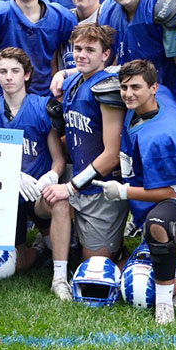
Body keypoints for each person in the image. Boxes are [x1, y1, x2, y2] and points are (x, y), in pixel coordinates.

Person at [94, 60, 176, 324]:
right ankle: (173, 254)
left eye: (135, 87)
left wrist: (123, 192)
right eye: (124, 87)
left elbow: (173, 193)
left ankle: (169, 305)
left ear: (152, 88)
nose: (128, 93)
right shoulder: (156, 98)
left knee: (159, 225)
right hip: (152, 204)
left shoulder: (160, 136)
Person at [40, 23, 125, 300]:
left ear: (106, 55)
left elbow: (112, 155)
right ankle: (56, 271)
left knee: (95, 268)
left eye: (91, 50)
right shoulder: (72, 81)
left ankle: (127, 254)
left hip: (102, 187)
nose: (82, 55)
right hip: (75, 175)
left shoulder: (108, 89)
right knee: (51, 201)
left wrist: (71, 186)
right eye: (78, 49)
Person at [0, 47, 65, 271]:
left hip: (37, 192)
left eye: (15, 70)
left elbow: (58, 160)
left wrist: (51, 176)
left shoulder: (42, 107)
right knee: (17, 265)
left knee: (59, 203)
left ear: (26, 74)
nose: (8, 77)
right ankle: (40, 248)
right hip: (5, 193)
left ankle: (55, 254)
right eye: (3, 72)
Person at [95, 0, 176, 104]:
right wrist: (65, 74)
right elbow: (101, 62)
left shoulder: (159, 6)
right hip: (129, 98)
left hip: (167, 99)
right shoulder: (107, 12)